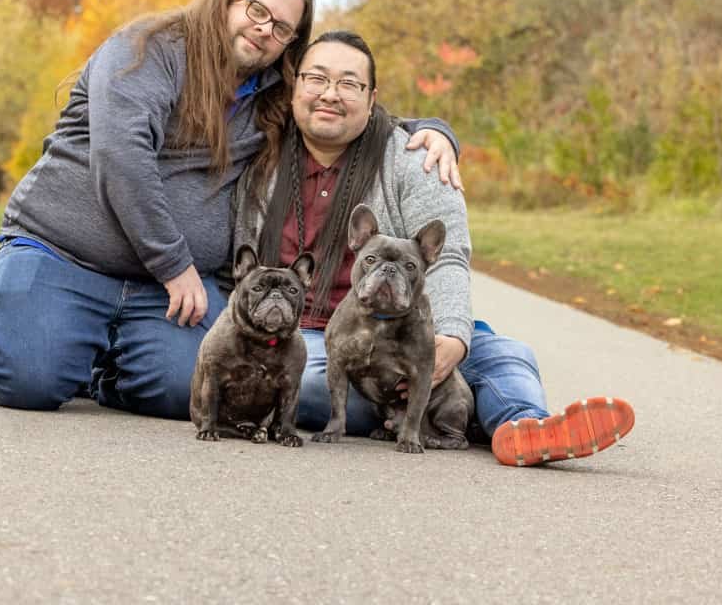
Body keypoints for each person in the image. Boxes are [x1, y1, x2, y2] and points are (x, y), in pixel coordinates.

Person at [0, 0, 459, 421]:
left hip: (159, 290)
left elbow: (339, 107)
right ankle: (56, 337)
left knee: (206, 386)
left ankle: (109, 368)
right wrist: (173, 263)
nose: (266, 30)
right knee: (26, 383)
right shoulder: (144, 50)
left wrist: (434, 130)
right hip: (66, 253)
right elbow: (121, 159)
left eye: (283, 28)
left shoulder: (270, 91)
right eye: (257, 11)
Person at [232, 30, 635, 466]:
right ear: (295, 88)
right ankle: (445, 416)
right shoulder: (260, 165)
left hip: (409, 325)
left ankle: (523, 428)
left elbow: (449, 258)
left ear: (371, 99)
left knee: (504, 353)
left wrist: (451, 337)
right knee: (309, 381)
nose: (331, 94)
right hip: (315, 333)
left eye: (349, 83)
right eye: (317, 79)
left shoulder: (415, 159)